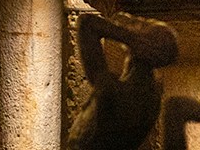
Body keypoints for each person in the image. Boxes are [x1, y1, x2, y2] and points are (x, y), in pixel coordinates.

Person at [68, 13, 180, 150]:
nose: (135, 21)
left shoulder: (114, 90)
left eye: (143, 24)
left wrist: (130, 38)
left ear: (143, 45)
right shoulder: (151, 96)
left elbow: (87, 23)